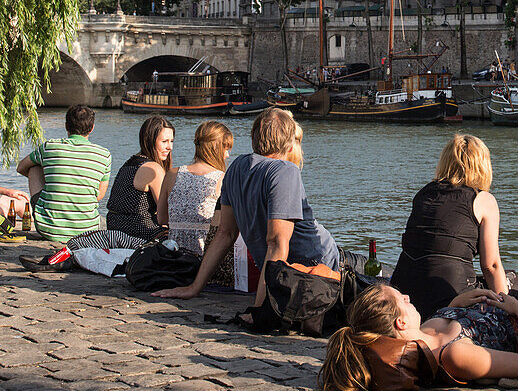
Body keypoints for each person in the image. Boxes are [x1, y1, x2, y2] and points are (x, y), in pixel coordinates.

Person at [319, 212, 518, 391]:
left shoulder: (424, 333)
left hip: (512, 304)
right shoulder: (453, 357)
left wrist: (458, 304)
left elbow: (459, 324)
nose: (406, 296)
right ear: (400, 322)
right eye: (400, 299)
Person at [155, 107, 344, 305]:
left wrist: (194, 288)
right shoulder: (285, 171)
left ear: (253, 137)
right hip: (318, 261)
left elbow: (225, 234)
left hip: (308, 262)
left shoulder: (237, 167)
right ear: (290, 146)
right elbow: (277, 243)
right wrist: (260, 308)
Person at [390, 134, 508, 318]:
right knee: (510, 280)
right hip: (450, 295)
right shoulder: (483, 200)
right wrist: (508, 308)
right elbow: (491, 265)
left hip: (405, 293)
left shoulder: (424, 193)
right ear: (483, 166)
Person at [16, 105, 111, 243]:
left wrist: (51, 182)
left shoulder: (49, 147)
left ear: (66, 126)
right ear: (92, 128)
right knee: (103, 223)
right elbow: (99, 195)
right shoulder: (104, 155)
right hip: (87, 230)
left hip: (48, 227)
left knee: (34, 167)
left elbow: (21, 168)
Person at [157, 121, 233, 254]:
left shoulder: (172, 174)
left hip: (174, 255)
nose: (227, 155)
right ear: (215, 148)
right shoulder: (222, 179)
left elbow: (162, 219)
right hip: (204, 258)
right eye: (226, 149)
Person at [104, 116, 175, 239]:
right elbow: (166, 213)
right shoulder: (153, 168)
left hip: (115, 227)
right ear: (150, 141)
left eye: (171, 141)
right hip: (138, 230)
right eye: (164, 142)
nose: (170, 147)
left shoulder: (130, 163)